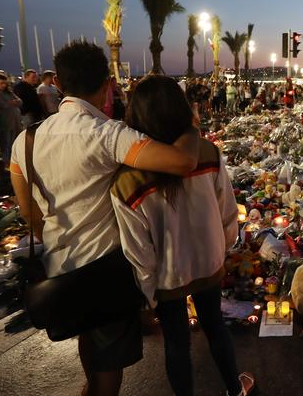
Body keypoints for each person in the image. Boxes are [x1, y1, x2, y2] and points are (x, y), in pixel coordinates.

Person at [9, 41, 200, 396]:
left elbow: (28, 212)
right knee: (109, 365)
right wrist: (190, 130)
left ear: (61, 85)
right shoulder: (107, 135)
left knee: (89, 344)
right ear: (107, 83)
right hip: (103, 269)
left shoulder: (26, 140)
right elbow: (181, 162)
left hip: (60, 267)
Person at [111, 76, 254, 396]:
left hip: (166, 277)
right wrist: (224, 248)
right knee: (215, 326)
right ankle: (234, 389)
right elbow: (228, 210)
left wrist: (148, 293)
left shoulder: (127, 179)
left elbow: (138, 249)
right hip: (207, 262)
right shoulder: (206, 152)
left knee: (176, 343)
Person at [0, 74, 22, 166]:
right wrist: (11, 103)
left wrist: (13, 102)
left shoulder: (8, 92)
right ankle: (6, 163)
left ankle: (14, 162)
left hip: (14, 121)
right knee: (5, 143)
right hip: (3, 122)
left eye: (5, 83)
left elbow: (20, 101)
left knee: (13, 142)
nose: (4, 85)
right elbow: (2, 105)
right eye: (1, 83)